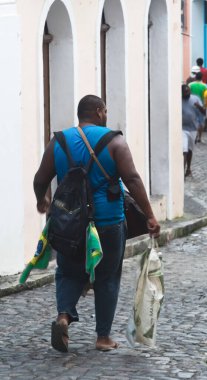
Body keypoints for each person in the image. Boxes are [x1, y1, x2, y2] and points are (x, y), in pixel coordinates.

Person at [33, 94, 160, 353]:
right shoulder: (114, 141)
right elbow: (133, 180)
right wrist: (149, 215)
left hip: (68, 223)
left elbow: (40, 178)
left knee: (68, 272)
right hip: (108, 222)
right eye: (106, 111)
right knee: (108, 276)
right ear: (100, 112)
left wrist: (42, 201)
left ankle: (63, 318)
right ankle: (103, 337)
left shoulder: (59, 141)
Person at [182, 84, 205, 177]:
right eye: (185, 92)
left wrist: (198, 106)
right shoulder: (178, 100)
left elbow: (204, 112)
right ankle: (181, 172)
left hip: (193, 128)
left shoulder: (195, 99)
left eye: (188, 91)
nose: (187, 93)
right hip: (182, 128)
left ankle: (188, 169)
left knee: (190, 150)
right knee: (184, 150)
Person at [189, 72, 207, 143]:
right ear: (201, 77)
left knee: (193, 121)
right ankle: (199, 137)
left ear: (195, 77)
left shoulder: (190, 85)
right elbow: (205, 97)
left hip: (192, 105)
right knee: (201, 122)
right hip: (201, 106)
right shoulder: (205, 86)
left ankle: (194, 136)